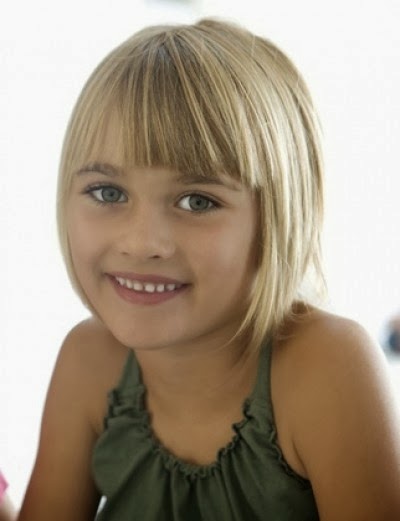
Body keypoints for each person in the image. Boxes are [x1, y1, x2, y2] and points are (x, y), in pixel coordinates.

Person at [18, 18, 400, 521]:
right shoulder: (88, 360)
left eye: (197, 201)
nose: (142, 243)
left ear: (277, 219)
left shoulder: (328, 369)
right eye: (108, 193)